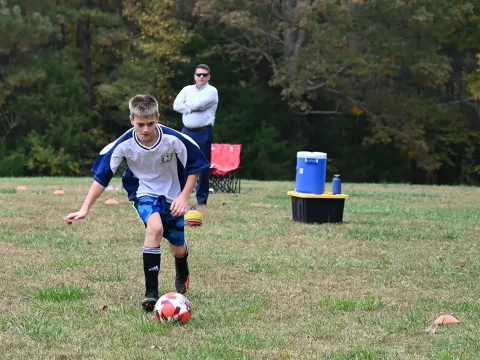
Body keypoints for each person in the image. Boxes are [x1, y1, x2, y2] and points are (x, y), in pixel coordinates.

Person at [64, 94, 210, 311]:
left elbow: (196, 167)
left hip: (173, 195)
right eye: (140, 124)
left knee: (177, 249)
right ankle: (151, 294)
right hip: (144, 193)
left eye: (151, 123)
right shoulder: (122, 144)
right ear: (131, 119)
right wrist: (84, 208)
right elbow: (102, 177)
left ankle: (182, 264)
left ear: (158, 118)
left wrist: (184, 196)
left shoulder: (174, 139)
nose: (145, 129)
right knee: (154, 229)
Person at [173, 64, 218, 206]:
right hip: (186, 131)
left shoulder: (212, 91)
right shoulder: (187, 89)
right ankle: (178, 196)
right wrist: (191, 106)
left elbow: (200, 104)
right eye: (199, 74)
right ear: (194, 76)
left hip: (203, 131)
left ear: (209, 77)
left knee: (202, 166)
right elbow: (176, 105)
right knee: (180, 163)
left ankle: (201, 200)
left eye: (204, 75)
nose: (201, 77)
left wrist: (187, 105)